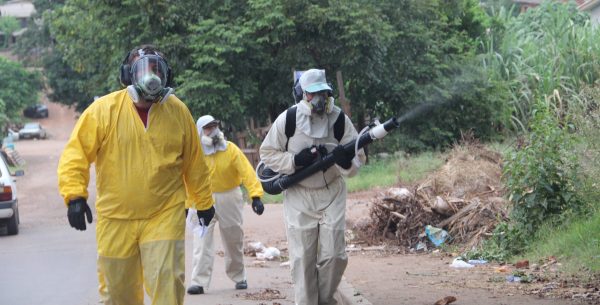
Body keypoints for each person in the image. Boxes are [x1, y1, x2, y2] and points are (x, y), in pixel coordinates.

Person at [57, 44, 215, 305]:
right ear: (128, 75)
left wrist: (204, 202)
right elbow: (76, 154)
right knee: (117, 294)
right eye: (143, 69)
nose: (150, 76)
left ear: (166, 76)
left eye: (157, 69)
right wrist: (74, 196)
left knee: (168, 286)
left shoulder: (178, 111)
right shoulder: (103, 111)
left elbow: (194, 163)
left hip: (164, 213)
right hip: (115, 218)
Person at [259, 68, 365, 305]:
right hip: (299, 194)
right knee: (303, 258)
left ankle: (325, 299)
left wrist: (345, 161)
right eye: (312, 94)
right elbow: (267, 153)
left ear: (328, 94)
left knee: (335, 255)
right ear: (302, 94)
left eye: (322, 93)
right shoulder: (288, 119)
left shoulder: (338, 119)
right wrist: (295, 161)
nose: (318, 100)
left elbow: (358, 155)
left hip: (331, 192)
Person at [187, 115, 265, 295]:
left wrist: (256, 196)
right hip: (201, 199)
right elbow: (187, 178)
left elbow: (247, 171)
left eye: (214, 126)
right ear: (199, 131)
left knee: (233, 238)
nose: (212, 130)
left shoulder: (230, 149)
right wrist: (186, 204)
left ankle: (239, 277)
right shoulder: (195, 154)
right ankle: (198, 281)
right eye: (207, 128)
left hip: (229, 196)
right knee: (201, 240)